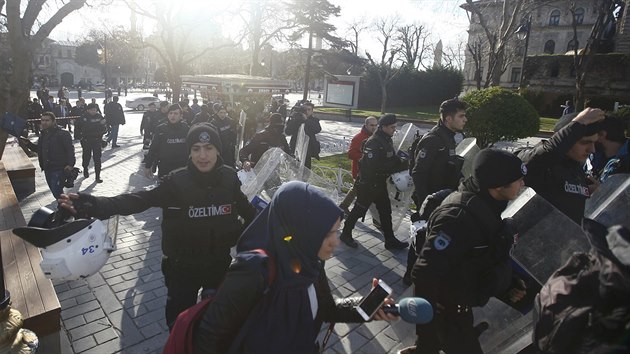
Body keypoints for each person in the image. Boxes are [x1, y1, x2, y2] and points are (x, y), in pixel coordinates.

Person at [58, 123, 256, 330]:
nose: (202, 155)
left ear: (218, 150)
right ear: (189, 151)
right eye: (196, 149)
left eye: (208, 148)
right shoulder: (176, 182)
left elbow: (249, 212)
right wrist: (96, 205)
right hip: (182, 268)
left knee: (216, 324)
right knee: (179, 325)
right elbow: (139, 199)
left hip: (218, 264)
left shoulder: (229, 177)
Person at [192, 181, 397, 353]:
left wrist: (369, 307)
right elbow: (209, 336)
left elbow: (327, 310)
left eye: (337, 231)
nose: (336, 242)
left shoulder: (310, 262)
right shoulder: (253, 271)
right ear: (299, 232)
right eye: (325, 234)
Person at [412, 148, 528, 354]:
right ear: (498, 186)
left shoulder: (487, 205)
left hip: (463, 311)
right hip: (448, 318)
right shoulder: (457, 218)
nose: (523, 184)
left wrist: (508, 283)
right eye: (518, 180)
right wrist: (426, 336)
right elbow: (425, 274)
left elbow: (477, 259)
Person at [404, 99, 468, 285]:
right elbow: (418, 172)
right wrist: (426, 201)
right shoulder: (433, 140)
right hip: (431, 199)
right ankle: (410, 274)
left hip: (443, 196)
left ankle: (426, 270)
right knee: (422, 234)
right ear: (448, 118)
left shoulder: (448, 137)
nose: (465, 119)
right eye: (461, 116)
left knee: (433, 234)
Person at [518, 107, 605, 224]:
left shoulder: (576, 168)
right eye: (585, 142)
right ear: (565, 138)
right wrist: (579, 123)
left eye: (594, 142)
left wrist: (590, 194)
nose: (592, 150)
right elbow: (547, 154)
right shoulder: (536, 160)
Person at [339, 114, 409, 250]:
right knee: (359, 210)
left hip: (380, 183)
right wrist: (394, 165)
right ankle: (346, 233)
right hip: (368, 184)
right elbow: (373, 166)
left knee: (385, 211)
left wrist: (403, 162)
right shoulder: (374, 142)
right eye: (392, 127)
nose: (394, 130)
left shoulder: (386, 139)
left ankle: (390, 239)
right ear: (383, 127)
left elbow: (392, 158)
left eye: (395, 127)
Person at [20, 112, 75, 198]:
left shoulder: (63, 133)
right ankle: (64, 208)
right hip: (47, 168)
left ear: (54, 121)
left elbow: (70, 150)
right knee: (56, 192)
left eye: (47, 120)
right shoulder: (43, 133)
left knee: (57, 192)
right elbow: (39, 149)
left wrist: (70, 164)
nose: (44, 122)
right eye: (42, 120)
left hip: (59, 168)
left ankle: (67, 209)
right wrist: (28, 144)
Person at [339, 116, 378, 214]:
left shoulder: (375, 137)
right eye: (371, 125)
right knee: (359, 190)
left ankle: (344, 206)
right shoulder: (358, 138)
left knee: (357, 190)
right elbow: (351, 154)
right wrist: (368, 156)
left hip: (371, 170)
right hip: (359, 170)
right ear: (366, 125)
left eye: (376, 125)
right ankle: (346, 208)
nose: (374, 127)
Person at [144, 104, 189, 178]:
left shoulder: (186, 128)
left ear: (181, 116)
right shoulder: (161, 129)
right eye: (171, 113)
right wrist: (148, 165)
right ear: (167, 115)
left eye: (176, 113)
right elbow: (153, 148)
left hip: (182, 168)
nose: (172, 116)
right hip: (165, 167)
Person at [74, 103, 107, 183]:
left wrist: (101, 133)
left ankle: (97, 176)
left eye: (95, 110)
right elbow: (77, 128)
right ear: (88, 110)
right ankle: (85, 168)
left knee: (97, 159)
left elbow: (104, 127)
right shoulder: (83, 118)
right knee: (86, 157)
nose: (94, 111)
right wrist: (79, 137)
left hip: (97, 140)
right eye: (92, 110)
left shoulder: (99, 117)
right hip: (86, 141)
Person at [589, 116, 629, 182]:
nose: (589, 140)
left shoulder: (626, 162)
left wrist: (599, 190)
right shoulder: (592, 156)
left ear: (602, 134)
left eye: (591, 134)